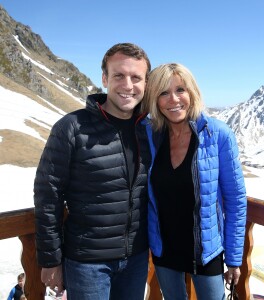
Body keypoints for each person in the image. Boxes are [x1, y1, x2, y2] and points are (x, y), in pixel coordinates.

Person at [34, 43, 152, 300]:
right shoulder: (71, 127)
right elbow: (47, 196)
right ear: (104, 78)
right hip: (87, 262)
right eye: (119, 75)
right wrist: (50, 259)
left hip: (137, 258)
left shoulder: (149, 130)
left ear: (146, 83)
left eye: (136, 78)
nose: (128, 85)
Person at [141, 63, 247, 300]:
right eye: (163, 93)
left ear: (192, 92)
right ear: (154, 100)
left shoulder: (218, 134)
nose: (173, 99)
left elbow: (236, 201)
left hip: (206, 252)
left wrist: (233, 258)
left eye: (180, 90)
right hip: (163, 249)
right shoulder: (149, 134)